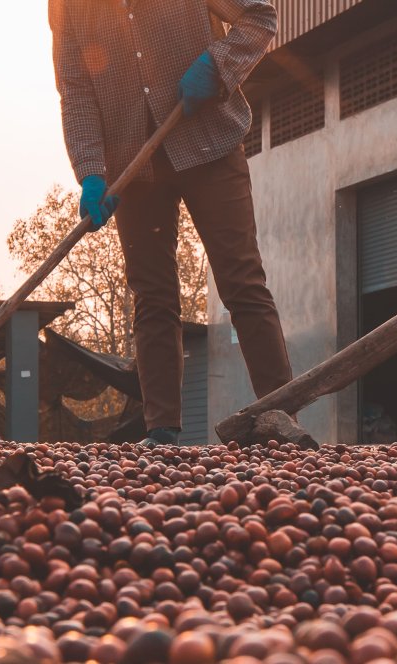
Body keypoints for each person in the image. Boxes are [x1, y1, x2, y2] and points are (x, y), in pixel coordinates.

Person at [49, 0, 293, 447]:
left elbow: (260, 17)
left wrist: (217, 66)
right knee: (152, 295)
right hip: (134, 168)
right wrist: (90, 170)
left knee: (242, 280)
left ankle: (281, 416)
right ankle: (161, 431)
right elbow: (76, 86)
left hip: (210, 144)